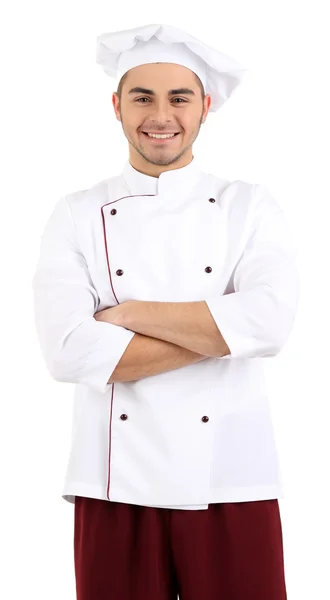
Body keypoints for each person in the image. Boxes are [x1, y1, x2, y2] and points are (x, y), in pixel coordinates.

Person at [32, 23, 299, 600]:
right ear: (116, 106)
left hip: (233, 474)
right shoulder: (77, 213)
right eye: (142, 97)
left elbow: (270, 323)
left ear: (205, 106)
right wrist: (222, 330)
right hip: (113, 483)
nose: (161, 115)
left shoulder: (248, 206)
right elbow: (68, 351)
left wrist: (127, 314)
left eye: (179, 97)